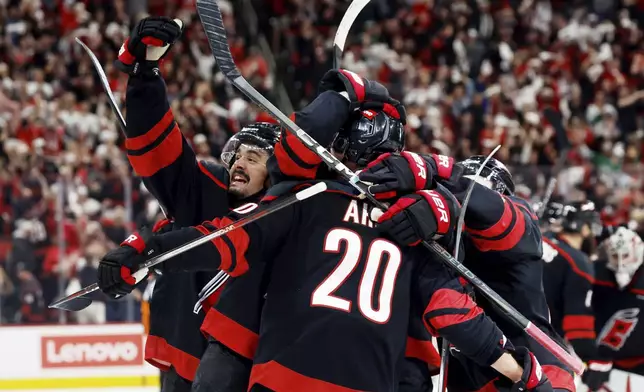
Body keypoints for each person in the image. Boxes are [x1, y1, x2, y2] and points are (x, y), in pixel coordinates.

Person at [96, 101, 552, 392]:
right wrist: (523, 372)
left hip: (276, 369)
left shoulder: (303, 199)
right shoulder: (413, 226)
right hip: (383, 373)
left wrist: (147, 252)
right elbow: (451, 310)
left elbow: (222, 237)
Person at [99, 16, 280, 392]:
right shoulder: (207, 190)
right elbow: (159, 151)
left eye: (254, 158)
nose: (240, 165)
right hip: (191, 365)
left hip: (260, 367)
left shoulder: (289, 212)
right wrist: (145, 71)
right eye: (238, 156)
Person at [359, 154, 576, 391]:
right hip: (476, 375)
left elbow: (495, 214)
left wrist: (438, 174)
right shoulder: (439, 242)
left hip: (536, 374)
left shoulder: (520, 224)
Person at [582, 226, 644, 391]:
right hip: (599, 359)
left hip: (638, 362)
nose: (622, 262)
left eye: (625, 255)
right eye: (616, 256)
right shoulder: (596, 272)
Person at [540, 201, 599, 363]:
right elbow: (578, 327)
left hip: (497, 325)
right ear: (585, 229)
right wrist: (593, 359)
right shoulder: (579, 263)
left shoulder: (538, 238)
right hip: (540, 342)